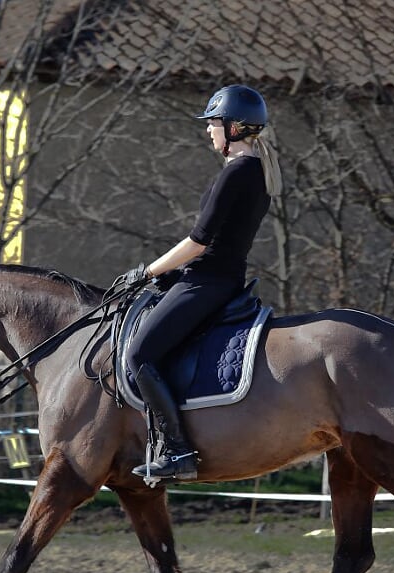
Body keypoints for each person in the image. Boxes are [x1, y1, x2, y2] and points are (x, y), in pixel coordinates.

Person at [118, 84, 282, 482]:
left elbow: (199, 241)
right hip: (215, 277)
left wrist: (148, 272)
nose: (209, 130)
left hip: (207, 283)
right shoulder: (255, 170)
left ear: (236, 128)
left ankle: (176, 451)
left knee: (138, 355)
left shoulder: (238, 172)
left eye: (213, 123)